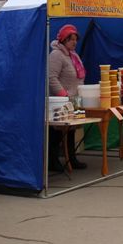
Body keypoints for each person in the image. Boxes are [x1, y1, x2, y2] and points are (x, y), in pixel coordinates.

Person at [47, 24, 87, 171]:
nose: (74, 42)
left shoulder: (73, 55)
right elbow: (51, 77)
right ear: (63, 40)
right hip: (61, 101)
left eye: (76, 39)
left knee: (71, 130)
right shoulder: (56, 55)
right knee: (57, 131)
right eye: (71, 39)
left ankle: (72, 158)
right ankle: (53, 161)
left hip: (75, 99)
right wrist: (63, 94)